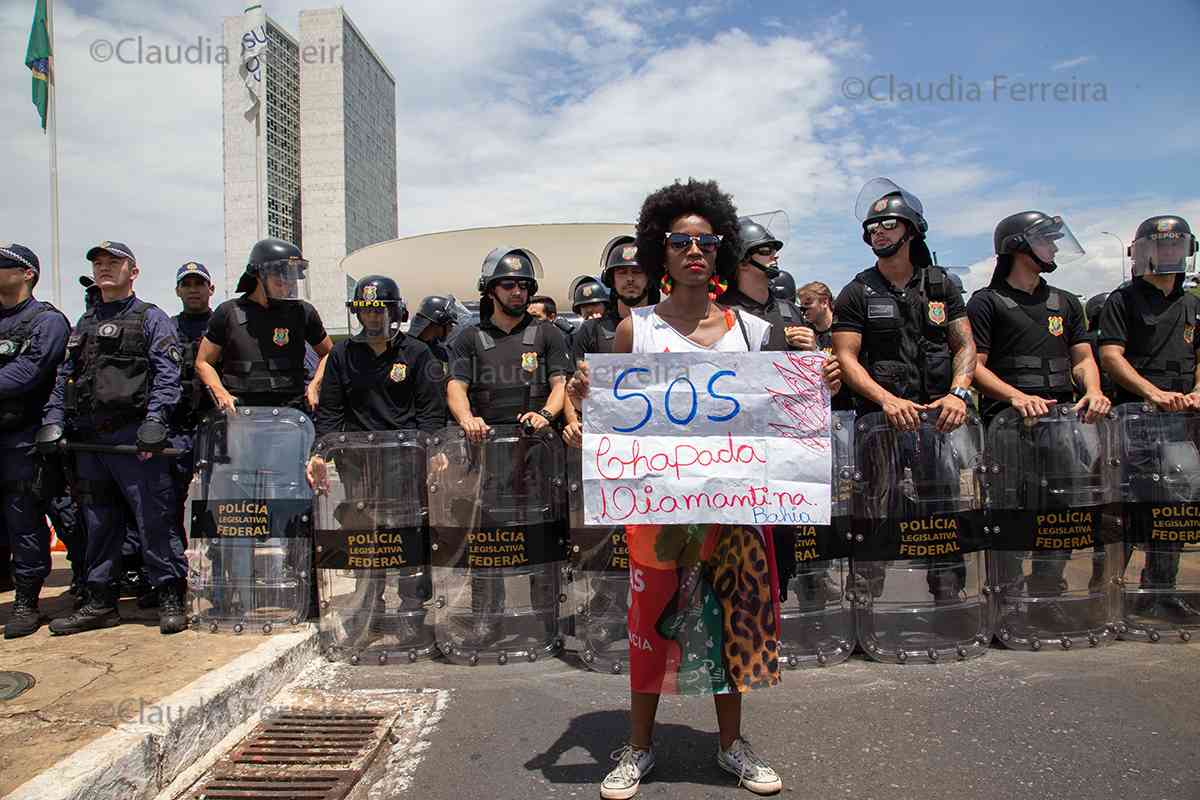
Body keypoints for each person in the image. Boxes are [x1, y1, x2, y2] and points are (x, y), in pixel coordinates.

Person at [568, 179, 785, 799]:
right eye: (679, 241)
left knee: (731, 621)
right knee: (650, 623)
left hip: (734, 507)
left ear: (721, 250)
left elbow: (780, 414)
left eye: (706, 241)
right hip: (658, 507)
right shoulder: (634, 331)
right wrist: (589, 397)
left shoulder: (753, 331)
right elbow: (614, 417)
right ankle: (637, 747)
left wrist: (815, 378)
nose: (694, 250)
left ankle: (731, 746)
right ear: (659, 252)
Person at [832, 178, 976, 605]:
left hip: (937, 419)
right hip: (880, 423)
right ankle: (865, 599)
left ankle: (948, 593)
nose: (878, 232)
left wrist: (959, 394)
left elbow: (964, 344)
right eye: (872, 226)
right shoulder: (857, 291)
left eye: (888, 224)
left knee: (943, 503)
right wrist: (886, 400)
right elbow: (846, 359)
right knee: (874, 506)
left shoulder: (940, 286)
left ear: (911, 230)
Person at [36, 241, 189, 635]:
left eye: (113, 263)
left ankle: (169, 593)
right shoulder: (83, 324)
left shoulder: (151, 318)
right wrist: (53, 420)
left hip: (135, 439)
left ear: (132, 272)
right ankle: (100, 601)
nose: (105, 269)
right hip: (89, 440)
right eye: (99, 264)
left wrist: (156, 420)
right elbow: (63, 378)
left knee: (153, 519)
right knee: (97, 523)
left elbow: (167, 374)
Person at [968, 211, 1110, 619]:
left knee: (1061, 510)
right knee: (1011, 510)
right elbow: (974, 366)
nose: (1053, 247)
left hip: (1061, 424)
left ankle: (1047, 594)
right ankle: (1008, 601)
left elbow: (1082, 358)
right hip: (1008, 426)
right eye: (1045, 240)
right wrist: (1015, 396)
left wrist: (1095, 390)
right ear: (1017, 246)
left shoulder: (1064, 302)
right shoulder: (987, 302)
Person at [446, 247, 571, 645]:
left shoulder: (547, 334)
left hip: (538, 453)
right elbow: (456, 386)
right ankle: (486, 617)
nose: (517, 292)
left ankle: (545, 616)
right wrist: (467, 419)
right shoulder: (469, 337)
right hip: (486, 454)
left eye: (523, 286)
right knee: (488, 538)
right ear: (490, 290)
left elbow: (559, 385)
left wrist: (547, 416)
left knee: (541, 531)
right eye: (508, 285)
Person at [1098, 214, 1200, 621]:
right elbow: (1110, 356)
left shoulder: (1193, 303)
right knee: (1129, 506)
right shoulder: (1122, 300)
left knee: (1176, 503)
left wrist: (1196, 392)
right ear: (1143, 252)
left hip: (1182, 419)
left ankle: (1161, 589)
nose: (1170, 251)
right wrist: (1152, 393)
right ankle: (1106, 594)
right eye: (1162, 244)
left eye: (1177, 244)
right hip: (1137, 416)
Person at [0, 243, 70, 638]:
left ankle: (27, 601)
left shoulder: (45, 321)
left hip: (24, 439)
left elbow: (27, 373)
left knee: (23, 517)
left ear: (27, 273)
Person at [195, 238, 332, 414]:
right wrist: (221, 393)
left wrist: (314, 386)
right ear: (260, 276)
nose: (288, 286)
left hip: (290, 414)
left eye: (292, 279)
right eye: (281, 280)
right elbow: (203, 362)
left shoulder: (302, 312)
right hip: (241, 415)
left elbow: (328, 353)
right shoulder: (228, 312)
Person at [719, 216, 814, 351]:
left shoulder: (790, 311)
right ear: (742, 262)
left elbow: (811, 366)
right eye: (765, 250)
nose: (775, 256)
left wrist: (813, 349)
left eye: (774, 250)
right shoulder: (721, 312)